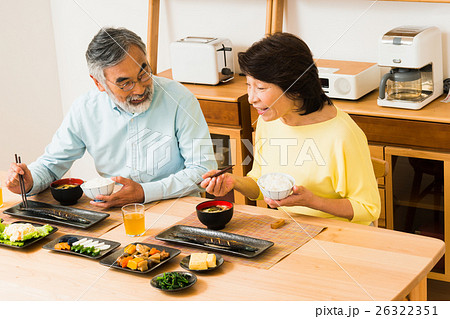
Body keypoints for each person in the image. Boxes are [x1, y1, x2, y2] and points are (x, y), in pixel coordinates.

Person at [6, 27, 217, 208]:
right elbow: (51, 165)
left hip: (176, 208)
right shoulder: (85, 109)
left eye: (144, 73)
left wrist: (144, 192)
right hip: (113, 213)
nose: (140, 88)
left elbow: (203, 170)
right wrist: (29, 181)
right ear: (99, 83)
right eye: (125, 83)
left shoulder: (179, 99)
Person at [201, 33, 380, 225]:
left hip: (337, 235)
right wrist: (234, 182)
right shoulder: (269, 120)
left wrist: (313, 202)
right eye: (249, 86)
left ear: (296, 88)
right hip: (288, 229)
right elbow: (261, 184)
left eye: (261, 88)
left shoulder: (342, 135)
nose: (252, 98)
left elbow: (368, 209)